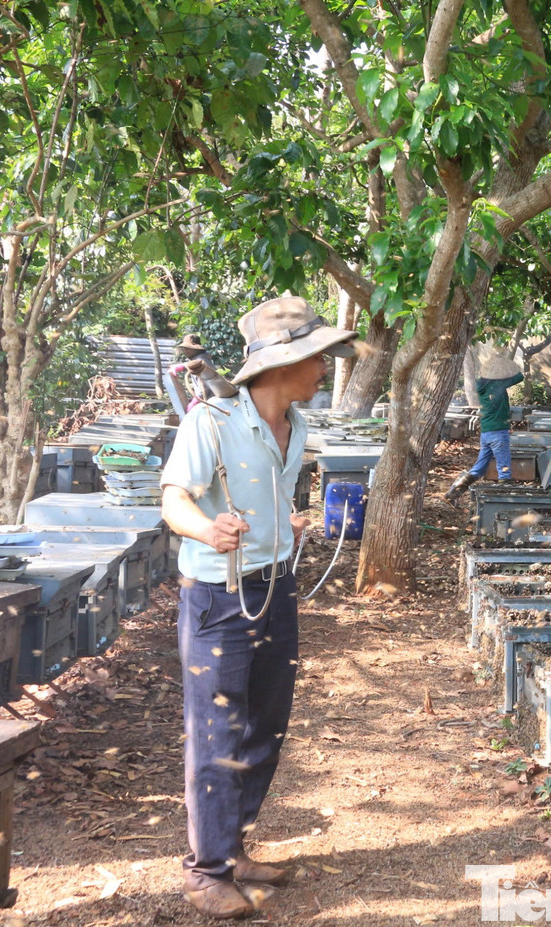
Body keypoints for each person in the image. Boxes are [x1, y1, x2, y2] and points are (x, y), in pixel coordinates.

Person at [161, 295, 358, 919]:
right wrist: (206, 530)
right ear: (280, 364)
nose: (326, 368)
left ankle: (232, 847)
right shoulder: (210, 422)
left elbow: (270, 495)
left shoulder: (296, 427)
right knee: (216, 732)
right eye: (317, 358)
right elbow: (174, 502)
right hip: (218, 596)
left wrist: (288, 523)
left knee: (266, 724)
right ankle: (204, 872)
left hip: (275, 588)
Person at [446, 346, 524, 504]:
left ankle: (453, 493)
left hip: (486, 432)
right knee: (504, 471)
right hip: (498, 432)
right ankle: (504, 505)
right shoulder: (498, 385)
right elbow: (519, 377)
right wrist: (504, 364)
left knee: (479, 468)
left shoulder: (481, 386)